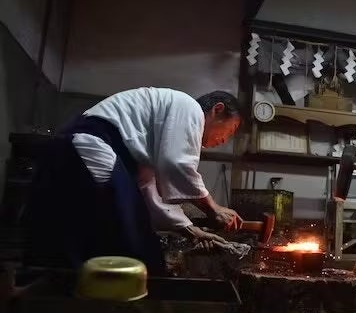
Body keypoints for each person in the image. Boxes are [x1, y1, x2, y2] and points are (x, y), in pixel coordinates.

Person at [24, 88, 244, 275]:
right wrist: (213, 208)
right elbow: (176, 163)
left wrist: (190, 230)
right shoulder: (189, 107)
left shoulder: (152, 142)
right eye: (230, 131)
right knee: (134, 246)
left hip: (77, 153)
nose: (224, 140)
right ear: (217, 109)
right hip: (90, 147)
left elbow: (149, 191)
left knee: (75, 241)